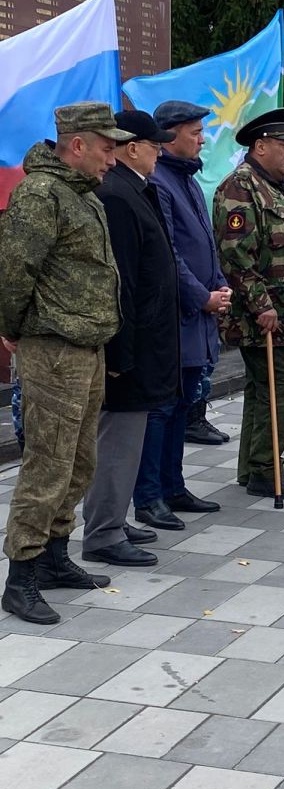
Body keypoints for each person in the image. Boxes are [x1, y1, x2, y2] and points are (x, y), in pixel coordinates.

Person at [0, 102, 134, 624]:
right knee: (48, 463)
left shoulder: (83, 197)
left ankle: (56, 557)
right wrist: (12, 328)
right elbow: (12, 272)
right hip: (53, 348)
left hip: (86, 348)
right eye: (106, 148)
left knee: (80, 461)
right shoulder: (40, 196)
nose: (112, 159)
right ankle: (22, 576)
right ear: (77, 145)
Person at [82, 110, 179, 567]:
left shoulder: (134, 189)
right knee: (118, 440)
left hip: (147, 342)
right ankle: (102, 532)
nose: (160, 152)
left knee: (130, 437)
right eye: (154, 145)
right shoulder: (118, 195)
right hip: (130, 348)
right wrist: (121, 352)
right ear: (131, 147)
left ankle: (114, 519)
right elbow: (119, 282)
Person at [132, 100, 229, 531]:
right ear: (169, 136)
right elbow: (170, 254)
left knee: (183, 404)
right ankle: (149, 495)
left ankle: (173, 485)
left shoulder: (188, 180)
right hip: (174, 319)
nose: (202, 138)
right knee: (163, 410)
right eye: (195, 131)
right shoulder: (161, 183)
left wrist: (220, 283)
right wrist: (201, 297)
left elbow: (204, 243)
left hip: (195, 316)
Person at [214, 107, 284, 500]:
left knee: (263, 389)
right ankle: (266, 468)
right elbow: (236, 255)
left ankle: (251, 466)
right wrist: (261, 306)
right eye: (283, 145)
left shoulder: (277, 189)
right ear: (260, 147)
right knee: (282, 386)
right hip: (263, 316)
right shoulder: (240, 187)